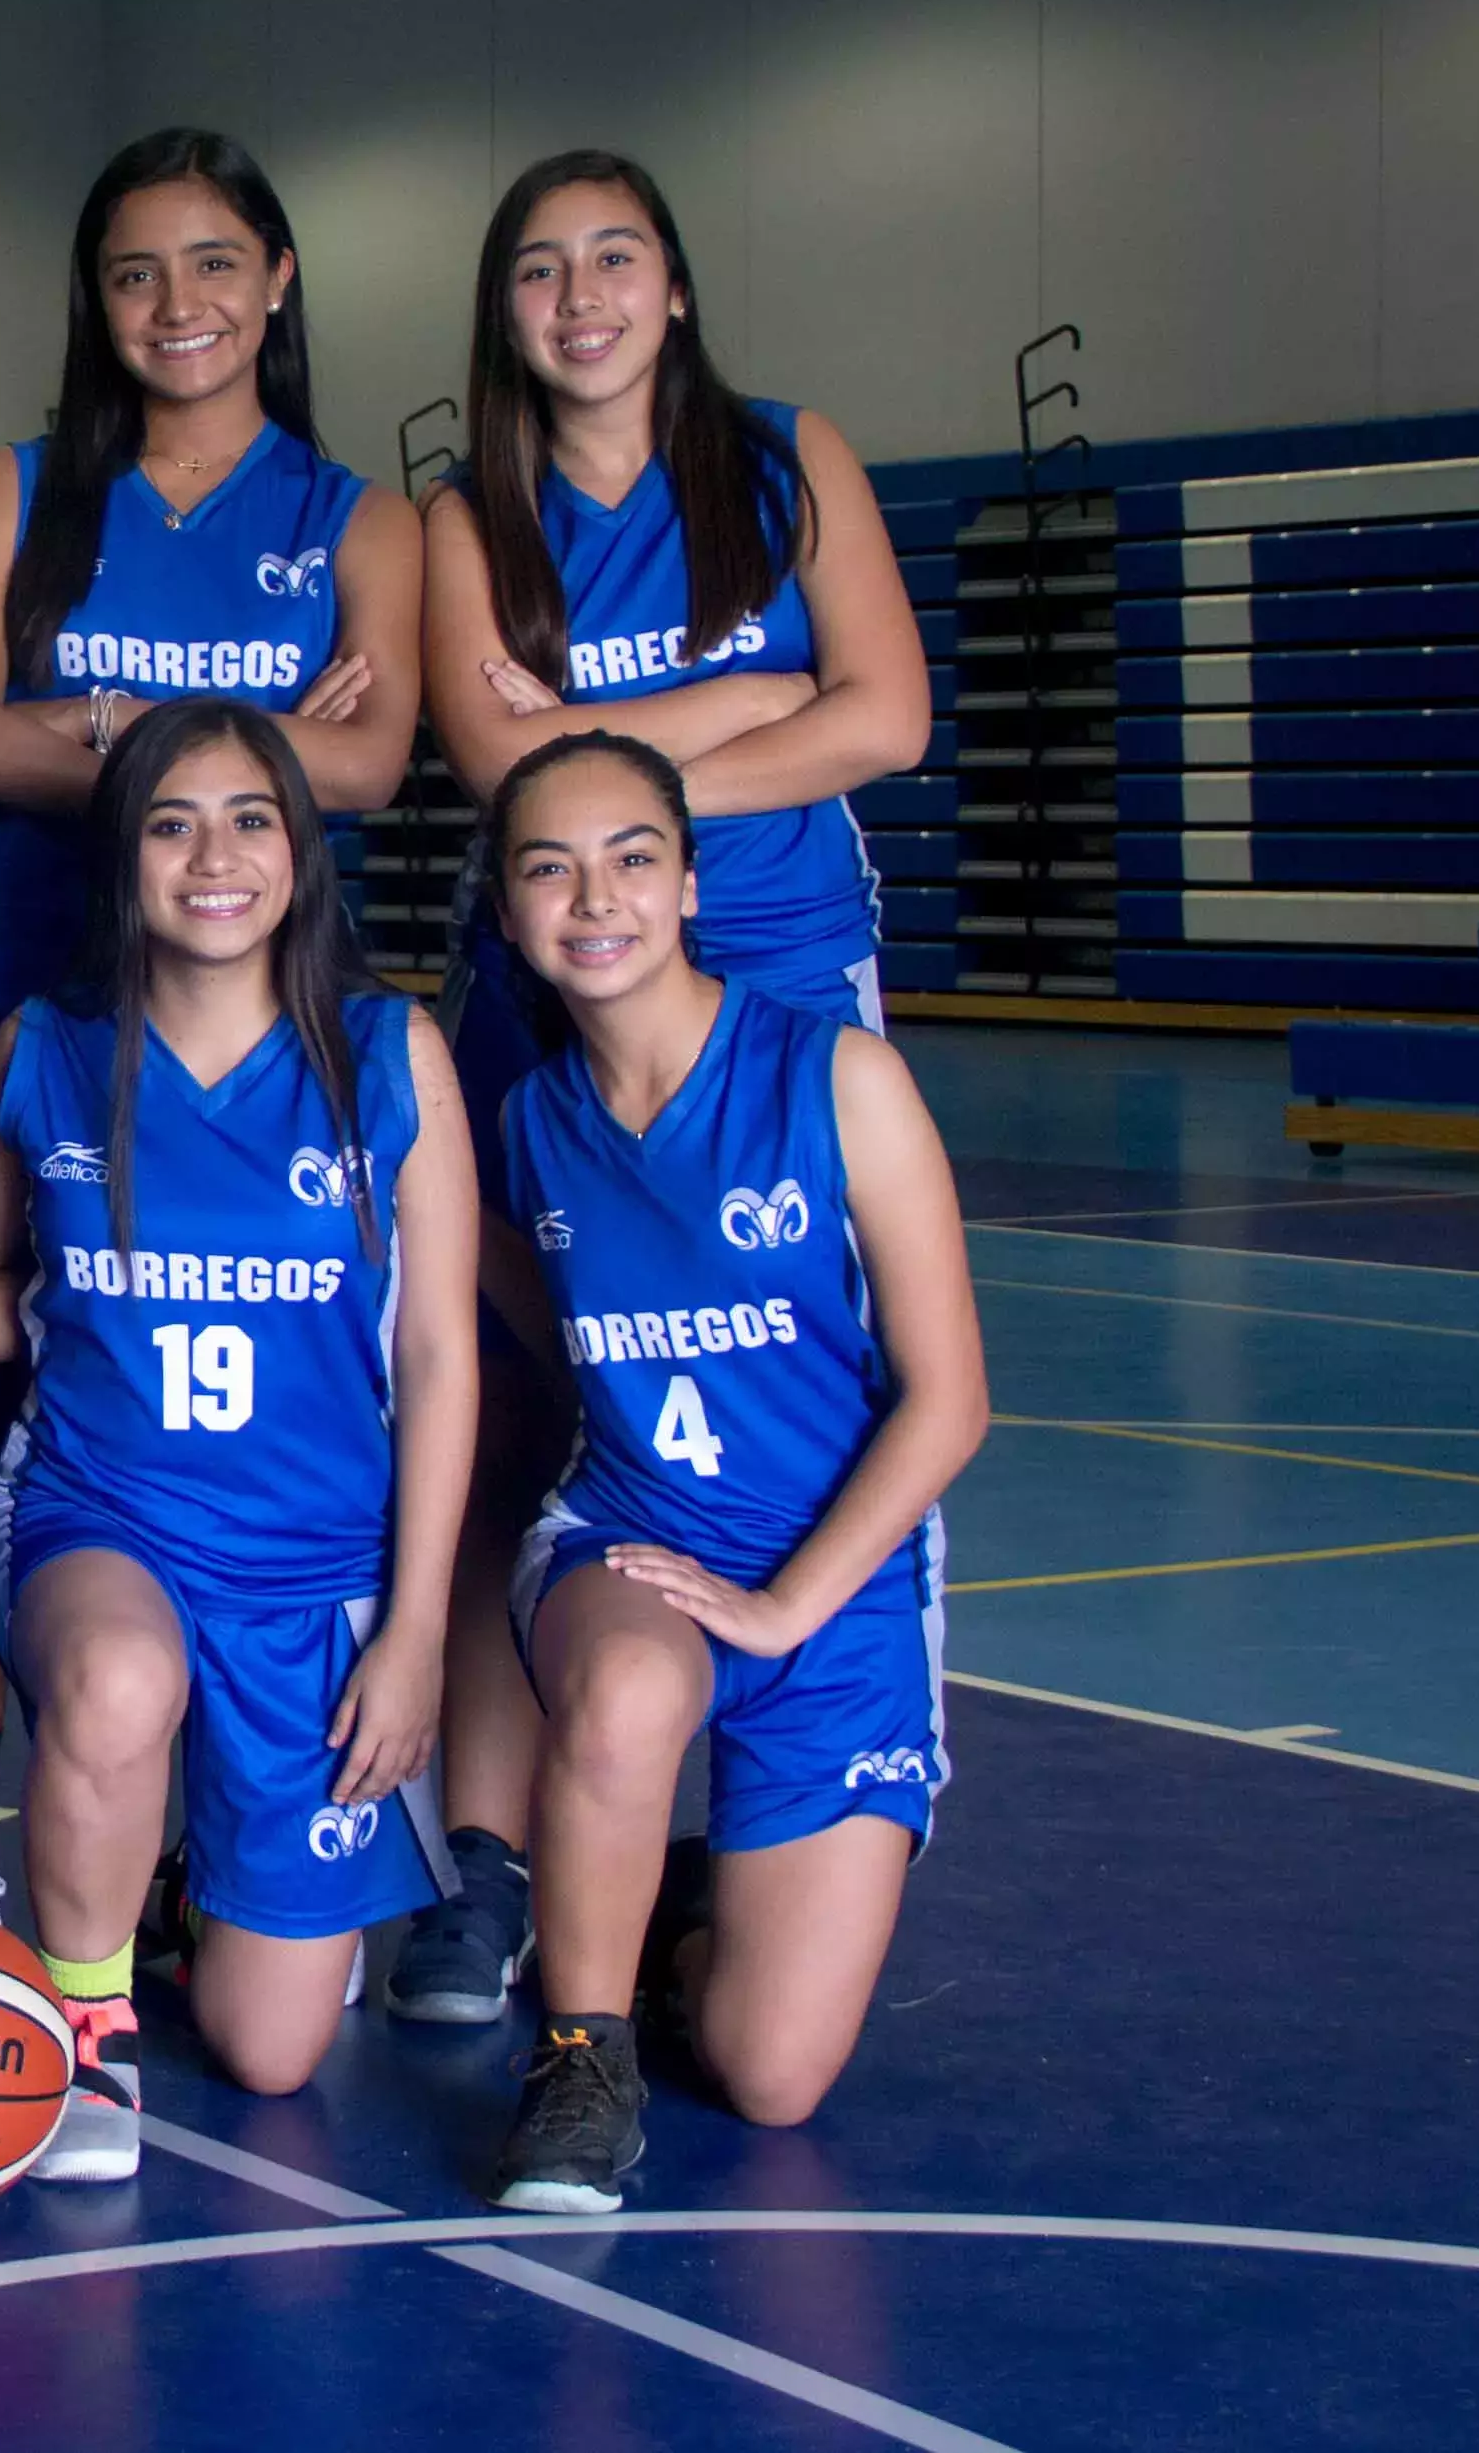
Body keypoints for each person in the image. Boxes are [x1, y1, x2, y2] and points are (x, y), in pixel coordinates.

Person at [390, 149, 932, 2026]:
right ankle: (488, 1861)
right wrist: (743, 706)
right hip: (545, 983)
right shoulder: (473, 512)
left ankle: (766, 1783)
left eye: (618, 256)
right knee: (520, 1399)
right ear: (505, 312)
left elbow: (889, 712)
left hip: (775, 958)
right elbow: (498, 766)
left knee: (806, 1376)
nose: (584, 294)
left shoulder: (786, 461)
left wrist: (606, 747)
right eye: (540, 268)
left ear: (678, 286)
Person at [0, 129, 419, 1927]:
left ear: (278, 281)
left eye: (214, 263)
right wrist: (221, 726)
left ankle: (204, 1817)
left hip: (251, 996)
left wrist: (126, 724)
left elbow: (368, 762)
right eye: (135, 271)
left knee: (238, 1387)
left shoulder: (354, 513)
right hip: (28, 971)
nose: (176, 303)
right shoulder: (19, 484)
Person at [0, 700, 476, 2180]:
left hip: (311, 1569)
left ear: (301, 850)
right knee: (116, 1682)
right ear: (123, 860)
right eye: (170, 823)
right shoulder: (41, 1048)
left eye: (249, 820)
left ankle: (185, 1890)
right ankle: (84, 2025)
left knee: (272, 2048)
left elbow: (435, 1355)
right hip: (92, 1512)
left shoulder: (387, 1052)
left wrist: (416, 1627)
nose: (213, 856)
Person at [477, 730, 987, 2213]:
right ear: (507, 910)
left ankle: (659, 1908)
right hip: (630, 1552)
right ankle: (578, 2057)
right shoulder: (526, 1122)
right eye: (548, 866)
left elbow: (948, 1400)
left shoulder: (841, 1079)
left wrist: (780, 1607)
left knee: (770, 2076)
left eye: (632, 855)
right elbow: (524, 1326)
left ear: (690, 879)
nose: (595, 896)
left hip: (828, 1587)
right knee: (630, 1691)